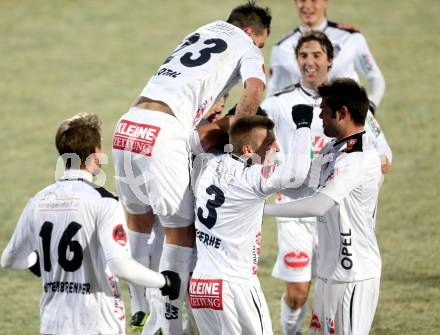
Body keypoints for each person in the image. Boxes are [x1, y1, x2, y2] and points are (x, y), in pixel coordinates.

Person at [111, 2, 272, 334]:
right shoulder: (246, 44)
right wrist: (239, 124)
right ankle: (169, 327)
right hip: (165, 131)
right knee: (180, 232)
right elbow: (255, 89)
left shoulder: (201, 31)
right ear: (252, 32)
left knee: (139, 221)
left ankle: (139, 306)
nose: (259, 50)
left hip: (128, 125)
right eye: (261, 43)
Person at [0, 113, 180, 335]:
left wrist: (40, 263)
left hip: (52, 324)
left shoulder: (38, 200)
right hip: (95, 324)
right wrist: (164, 281)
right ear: (96, 152)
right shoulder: (104, 201)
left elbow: (10, 259)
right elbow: (120, 266)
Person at [261, 31, 391, 335]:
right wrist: (257, 191)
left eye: (324, 112)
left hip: (354, 275)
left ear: (343, 113)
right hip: (331, 274)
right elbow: (307, 186)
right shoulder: (334, 148)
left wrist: (262, 212)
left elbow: (319, 202)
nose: (320, 116)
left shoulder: (359, 157)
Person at [189, 111, 313, 335]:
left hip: (201, 286)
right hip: (236, 285)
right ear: (248, 151)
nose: (276, 148)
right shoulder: (251, 178)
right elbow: (297, 173)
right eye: (269, 142)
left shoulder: (209, 166)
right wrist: (304, 125)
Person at [267, 0, 385, 114]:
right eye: (302, 0)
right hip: (306, 124)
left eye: (314, 0)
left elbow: (374, 78)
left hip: (346, 121)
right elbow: (274, 93)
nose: (307, 5)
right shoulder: (281, 47)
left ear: (325, 1)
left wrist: (370, 108)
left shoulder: (351, 38)